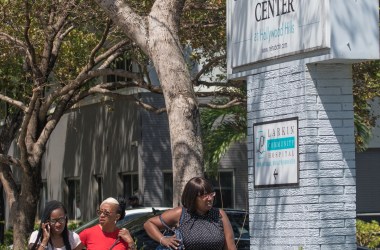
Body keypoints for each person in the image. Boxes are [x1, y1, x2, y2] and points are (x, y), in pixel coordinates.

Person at [144, 177, 237, 250]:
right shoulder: (181, 213)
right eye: (205, 195)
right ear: (193, 197)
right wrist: (163, 239)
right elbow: (149, 224)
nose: (210, 198)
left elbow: (230, 247)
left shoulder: (219, 215)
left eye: (211, 194)